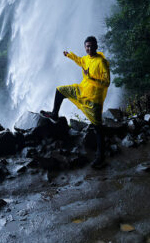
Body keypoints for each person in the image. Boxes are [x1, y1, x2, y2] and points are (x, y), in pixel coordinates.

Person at [41, 36, 111, 168]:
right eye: (87, 46)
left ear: (96, 46)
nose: (89, 49)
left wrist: (90, 77)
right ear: (85, 47)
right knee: (60, 90)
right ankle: (54, 114)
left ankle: (100, 155)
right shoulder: (86, 59)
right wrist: (69, 55)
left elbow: (107, 82)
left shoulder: (101, 62)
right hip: (82, 90)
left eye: (91, 46)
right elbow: (80, 60)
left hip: (94, 98)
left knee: (98, 128)